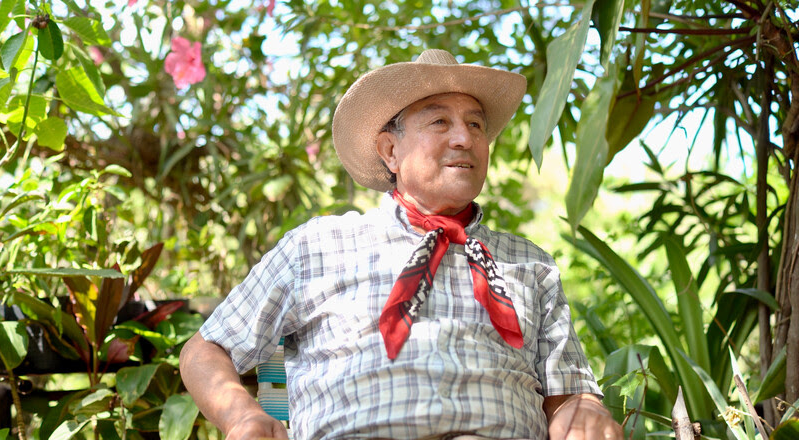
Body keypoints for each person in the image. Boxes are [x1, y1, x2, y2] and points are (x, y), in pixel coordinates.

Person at [180, 49, 624, 440]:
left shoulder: (531, 265)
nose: (464, 138)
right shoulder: (318, 246)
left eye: (475, 124)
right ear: (390, 151)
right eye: (439, 122)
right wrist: (241, 416)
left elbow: (566, 400)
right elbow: (205, 350)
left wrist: (582, 409)